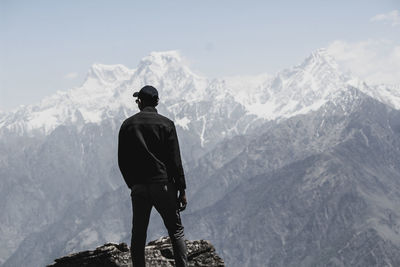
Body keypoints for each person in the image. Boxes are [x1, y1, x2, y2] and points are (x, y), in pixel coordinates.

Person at [118, 85, 188, 267]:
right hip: (163, 185)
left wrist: (133, 184)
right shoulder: (166, 124)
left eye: (137, 100)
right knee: (176, 231)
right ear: (157, 102)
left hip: (139, 186)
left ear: (140, 102)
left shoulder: (127, 125)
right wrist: (181, 189)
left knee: (139, 233)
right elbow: (175, 160)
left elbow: (122, 161)